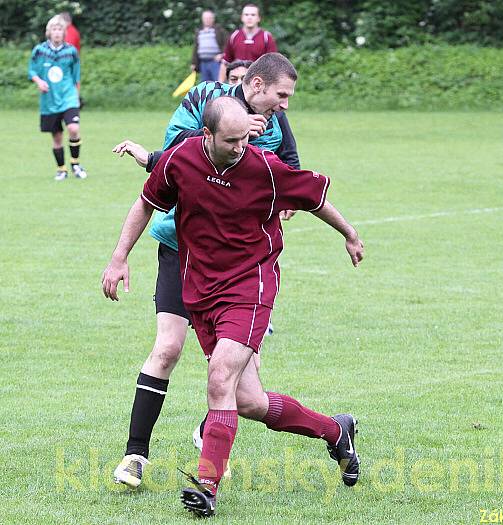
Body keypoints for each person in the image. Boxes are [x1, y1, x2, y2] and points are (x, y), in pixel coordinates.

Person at [102, 96, 364, 517]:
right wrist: (119, 257)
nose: (241, 147)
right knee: (249, 401)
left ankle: (207, 485)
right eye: (231, 140)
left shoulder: (263, 167)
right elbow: (146, 204)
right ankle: (336, 431)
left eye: (245, 138)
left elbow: (315, 198)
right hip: (200, 291)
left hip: (250, 286)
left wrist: (350, 234)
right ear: (206, 135)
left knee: (219, 374)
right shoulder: (180, 160)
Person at [111, 53, 303, 488]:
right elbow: (175, 158)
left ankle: (209, 436)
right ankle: (135, 455)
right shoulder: (202, 99)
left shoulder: (274, 122)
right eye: (281, 96)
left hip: (239, 265)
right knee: (167, 348)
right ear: (255, 85)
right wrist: (237, 139)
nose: (284, 106)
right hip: (182, 248)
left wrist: (284, 201)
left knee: (234, 375)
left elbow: (286, 173)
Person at [28, 15, 87, 181]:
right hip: (49, 101)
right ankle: (61, 170)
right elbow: (32, 71)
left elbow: (76, 76)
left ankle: (75, 164)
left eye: (60, 29)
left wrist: (75, 96)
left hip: (68, 97)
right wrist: (39, 81)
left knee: (73, 129)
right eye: (54, 29)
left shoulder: (71, 51)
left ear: (64, 32)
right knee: (57, 137)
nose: (57, 32)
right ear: (49, 32)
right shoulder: (39, 51)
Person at [192, 10, 227, 82]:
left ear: (213, 19)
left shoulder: (219, 30)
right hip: (203, 63)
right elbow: (196, 48)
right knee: (205, 86)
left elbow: (227, 44)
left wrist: (222, 55)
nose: (207, 20)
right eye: (205, 18)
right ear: (202, 19)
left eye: (209, 18)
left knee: (218, 83)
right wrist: (194, 63)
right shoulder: (199, 31)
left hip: (216, 62)